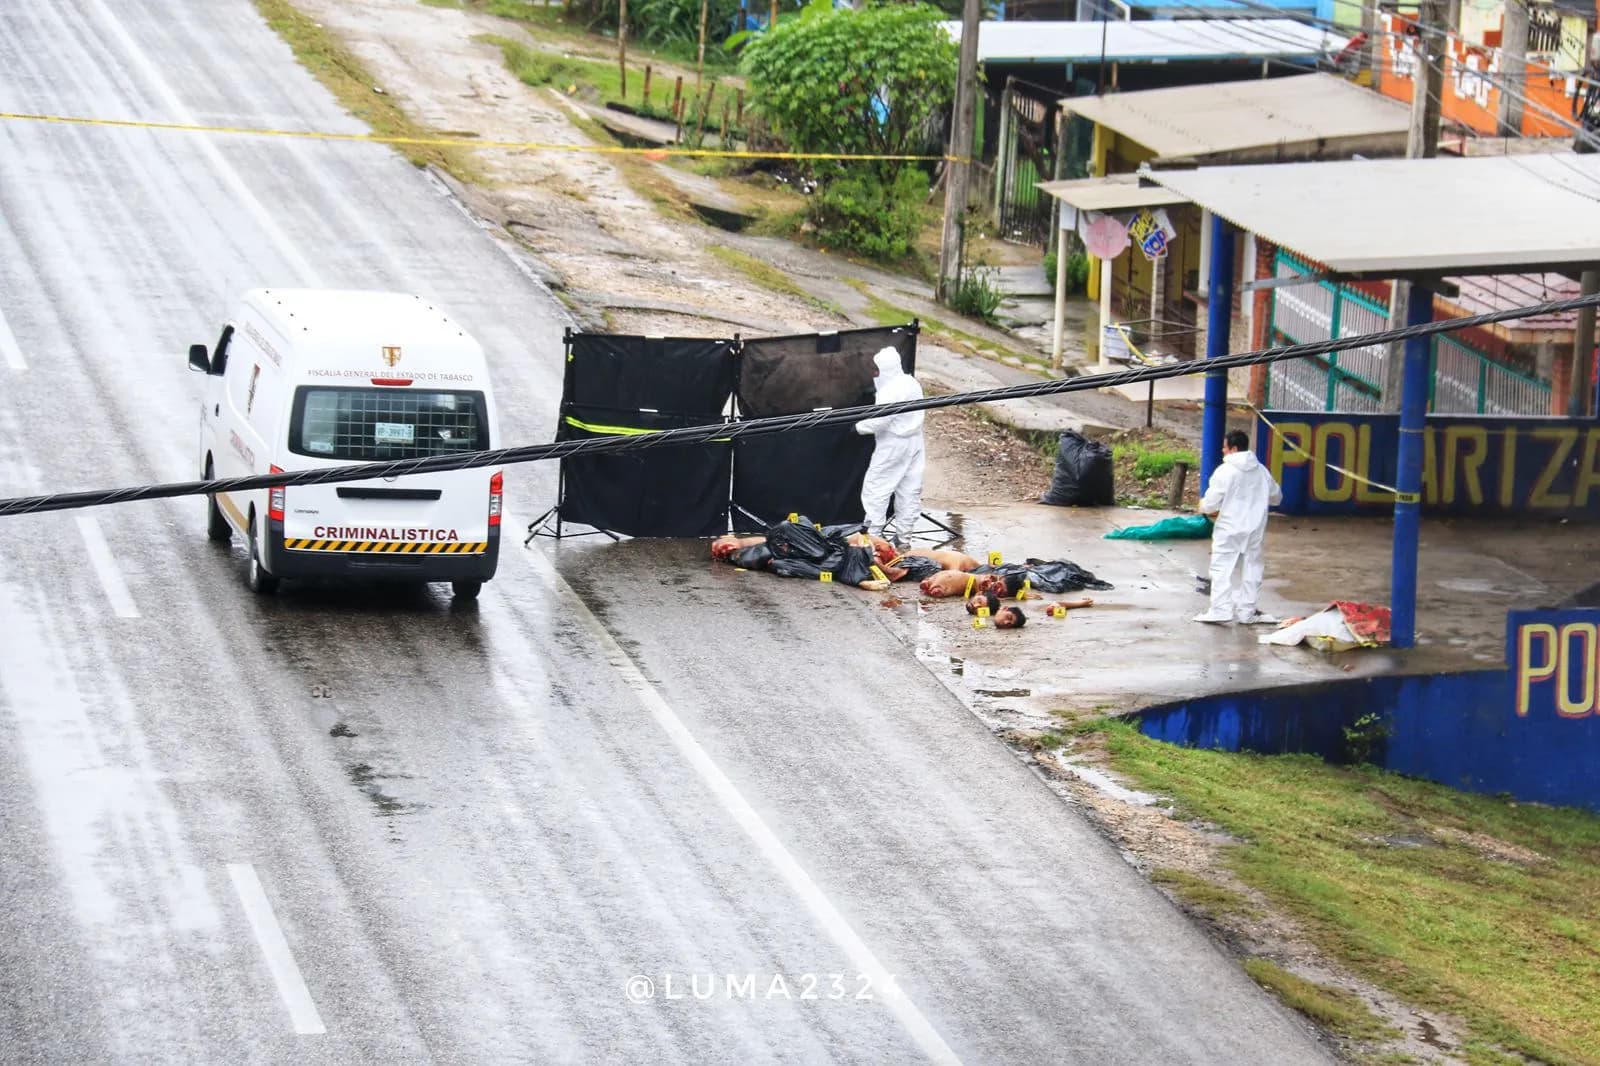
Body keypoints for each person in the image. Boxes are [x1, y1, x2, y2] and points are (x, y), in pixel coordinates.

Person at [1195, 429, 1284, 625]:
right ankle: (1247, 612)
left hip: (1229, 527)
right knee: (1253, 568)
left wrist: (1203, 506)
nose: (1222, 450)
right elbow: (1277, 497)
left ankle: (1220, 609)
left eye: (1225, 447)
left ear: (1234, 449)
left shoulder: (1225, 471)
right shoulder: (1261, 470)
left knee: (1221, 568)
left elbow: (1210, 503)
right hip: (1254, 529)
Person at [855, 347, 925, 540]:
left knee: (876, 488)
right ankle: (904, 539)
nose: (874, 374)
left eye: (876, 369)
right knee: (909, 491)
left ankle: (873, 538)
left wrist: (858, 426)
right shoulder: (911, 382)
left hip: (893, 444)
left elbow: (879, 422)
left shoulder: (890, 391)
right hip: (916, 443)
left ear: (884, 370)